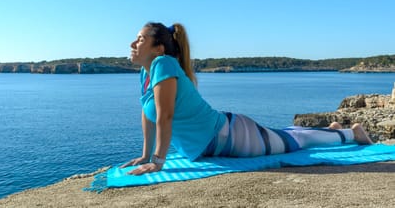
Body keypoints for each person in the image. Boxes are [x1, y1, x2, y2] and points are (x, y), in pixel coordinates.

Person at [122, 22, 373, 175]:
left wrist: (157, 161)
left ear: (159, 48)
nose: (133, 43)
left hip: (230, 137)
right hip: (217, 141)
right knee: (287, 136)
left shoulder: (163, 64)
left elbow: (165, 115)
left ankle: (352, 134)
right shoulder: (147, 72)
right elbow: (149, 115)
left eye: (141, 39)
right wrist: (145, 155)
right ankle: (332, 129)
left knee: (294, 142)